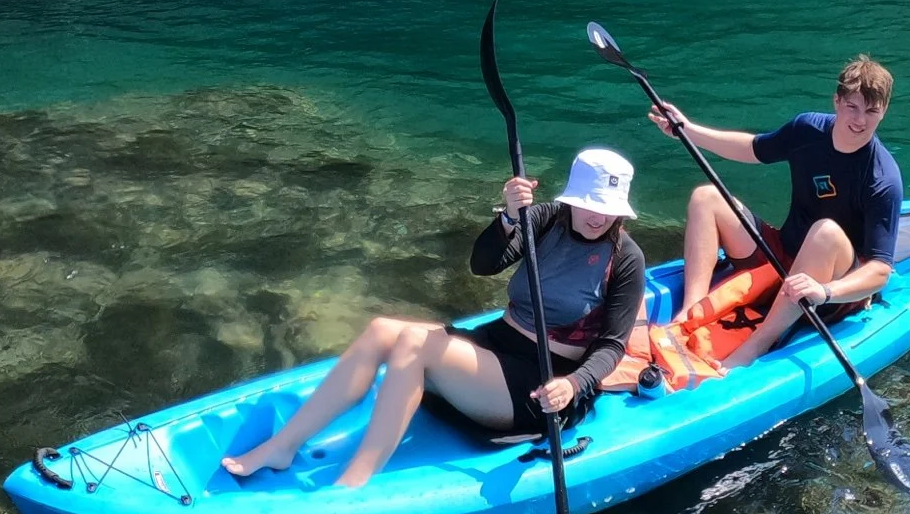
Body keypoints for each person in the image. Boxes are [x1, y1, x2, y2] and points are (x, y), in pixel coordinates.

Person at [222, 148, 646, 488]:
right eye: (590, 204)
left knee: (413, 345)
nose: (599, 216)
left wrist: (572, 385)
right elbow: (483, 264)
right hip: (498, 342)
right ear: (572, 195)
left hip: (543, 381)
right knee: (381, 330)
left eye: (609, 208)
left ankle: (354, 482)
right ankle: (283, 445)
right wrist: (508, 219)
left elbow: (612, 345)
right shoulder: (545, 218)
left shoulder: (625, 258)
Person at [651, 55, 903, 372]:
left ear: (884, 112)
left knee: (825, 231)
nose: (860, 119)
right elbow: (752, 148)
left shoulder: (883, 178)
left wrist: (825, 292)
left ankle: (758, 344)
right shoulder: (807, 130)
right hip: (782, 256)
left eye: (871, 111)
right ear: (837, 101)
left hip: (832, 285)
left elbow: (880, 271)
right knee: (706, 198)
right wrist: (687, 130)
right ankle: (692, 314)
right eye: (852, 106)